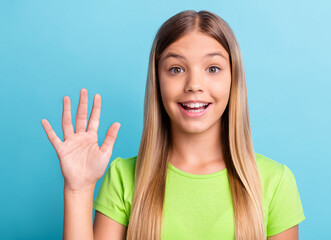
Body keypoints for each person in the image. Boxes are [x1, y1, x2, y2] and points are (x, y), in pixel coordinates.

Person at [41, 10, 305, 240]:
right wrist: (79, 189)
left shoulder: (274, 182)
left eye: (213, 69)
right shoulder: (123, 179)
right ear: (157, 81)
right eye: (176, 69)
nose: (194, 85)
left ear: (233, 80)